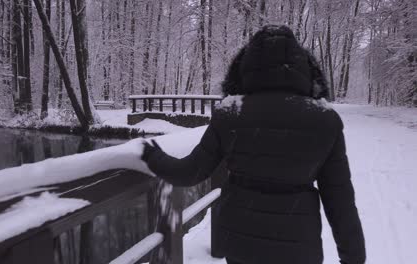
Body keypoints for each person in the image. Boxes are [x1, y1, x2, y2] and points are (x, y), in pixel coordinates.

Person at [141, 25, 366, 264]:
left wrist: (150, 154)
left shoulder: (230, 114)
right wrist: (353, 258)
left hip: (241, 243)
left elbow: (189, 173)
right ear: (304, 67)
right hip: (299, 246)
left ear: (246, 66)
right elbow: (340, 202)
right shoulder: (324, 119)